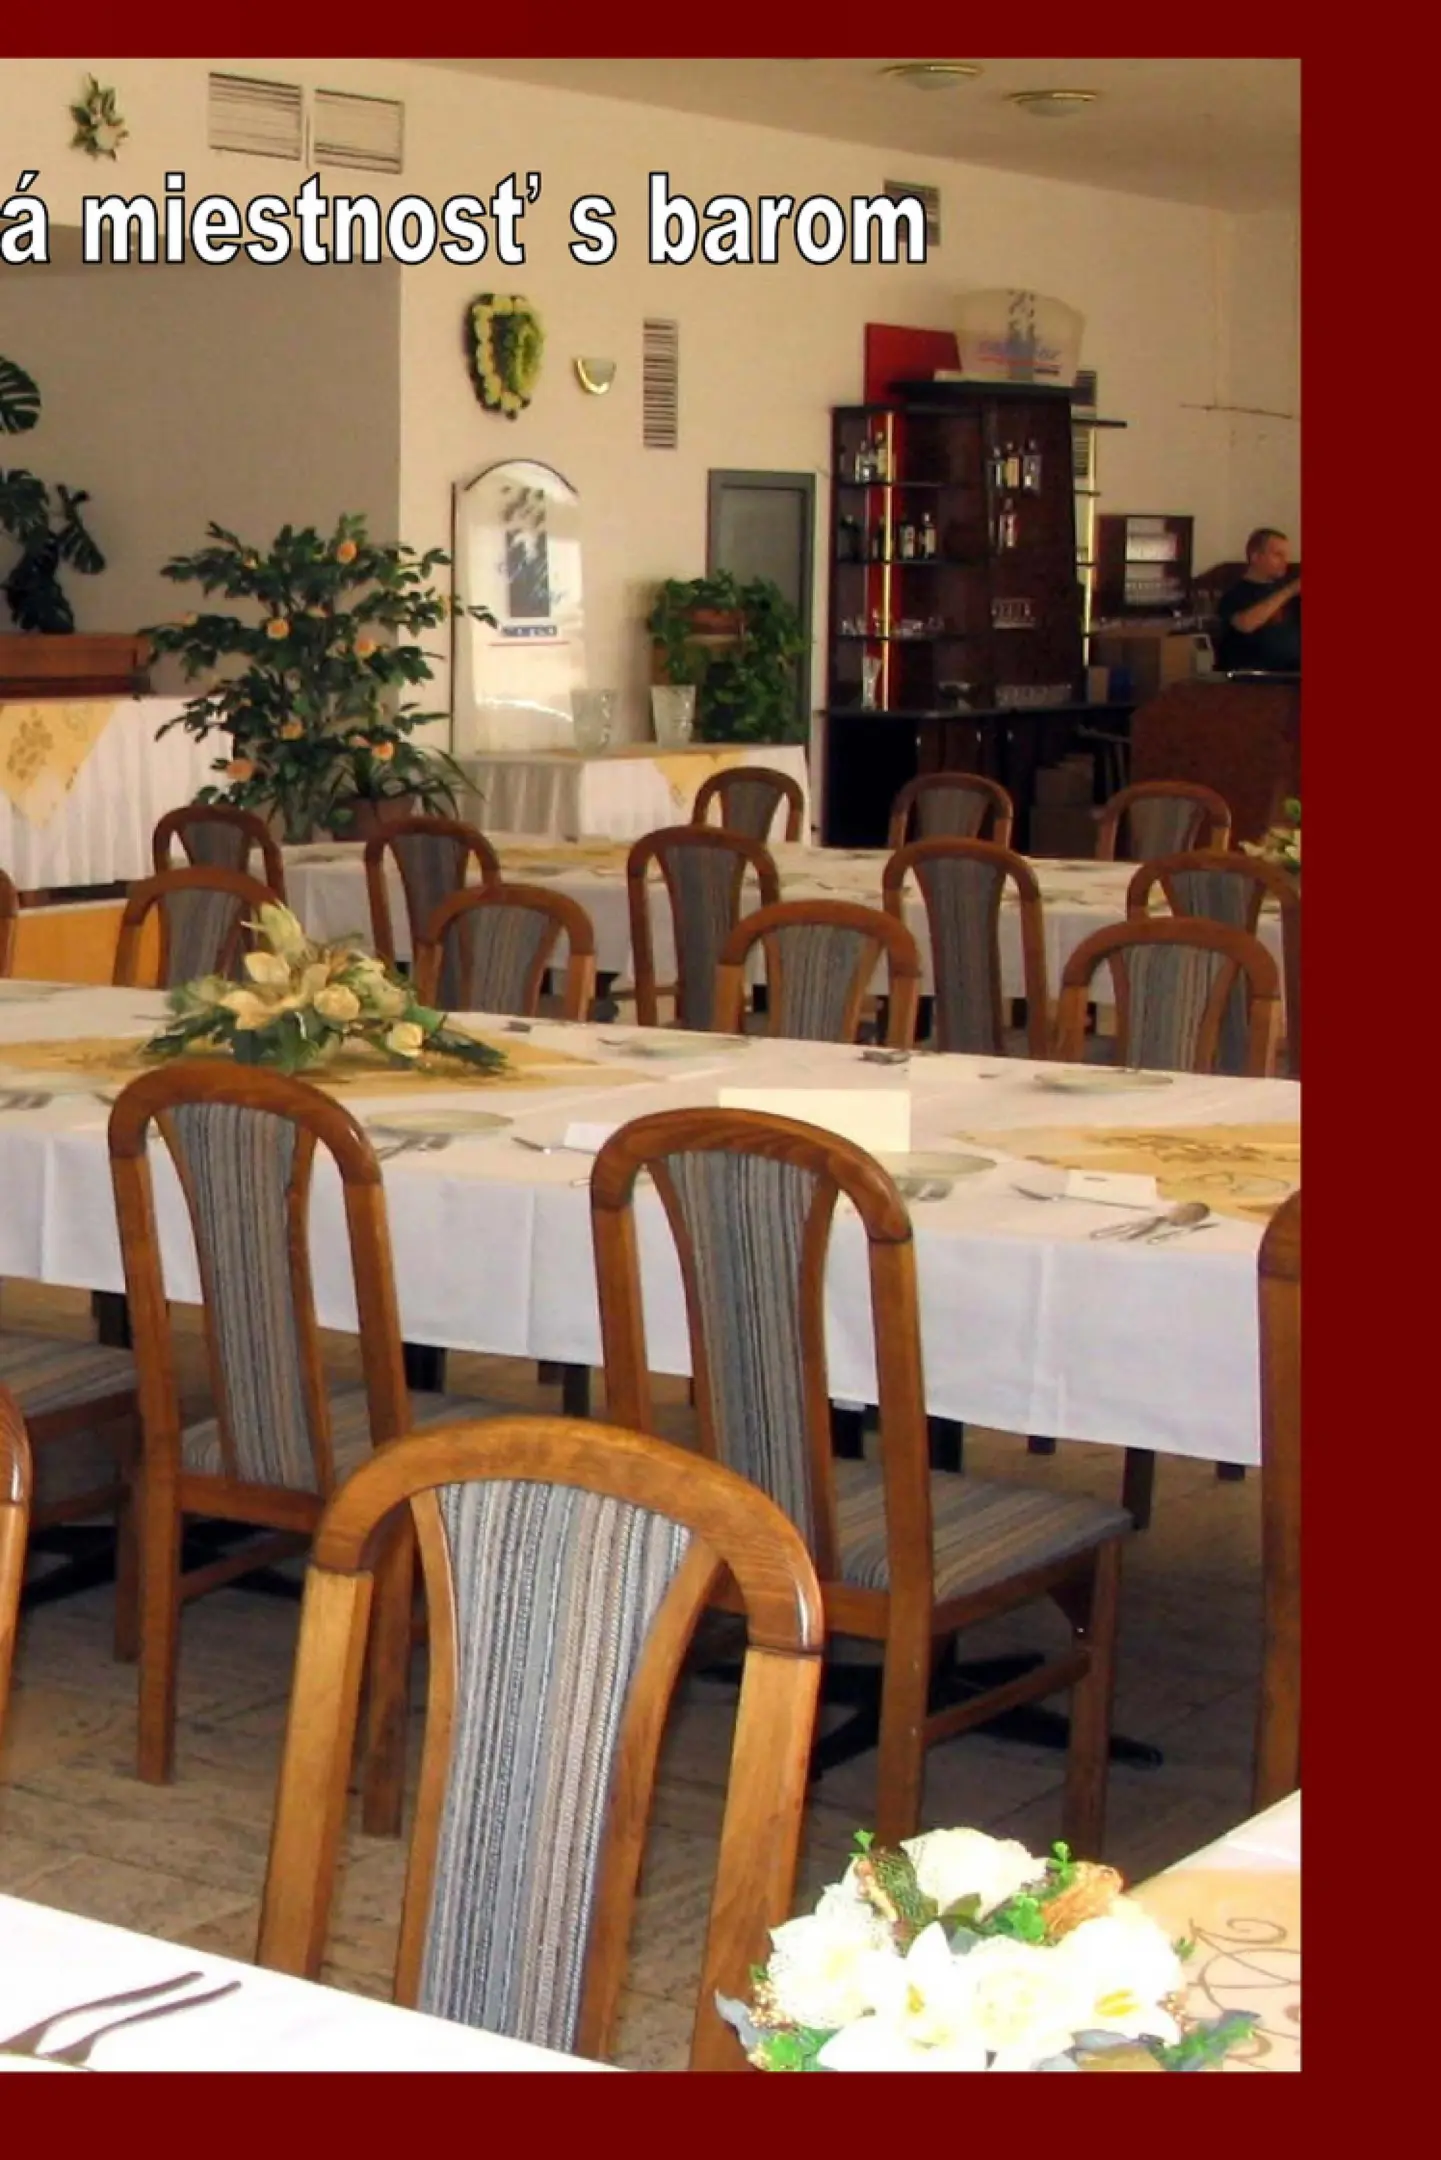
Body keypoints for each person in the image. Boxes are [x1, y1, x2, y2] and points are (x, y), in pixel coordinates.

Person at [1214, 528, 1301, 673]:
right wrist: (1290, 590)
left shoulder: (1287, 592)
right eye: (1278, 555)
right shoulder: (1235, 594)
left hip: (1292, 675)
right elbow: (1245, 624)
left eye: (1286, 556)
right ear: (1255, 557)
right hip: (1252, 678)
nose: (1285, 562)